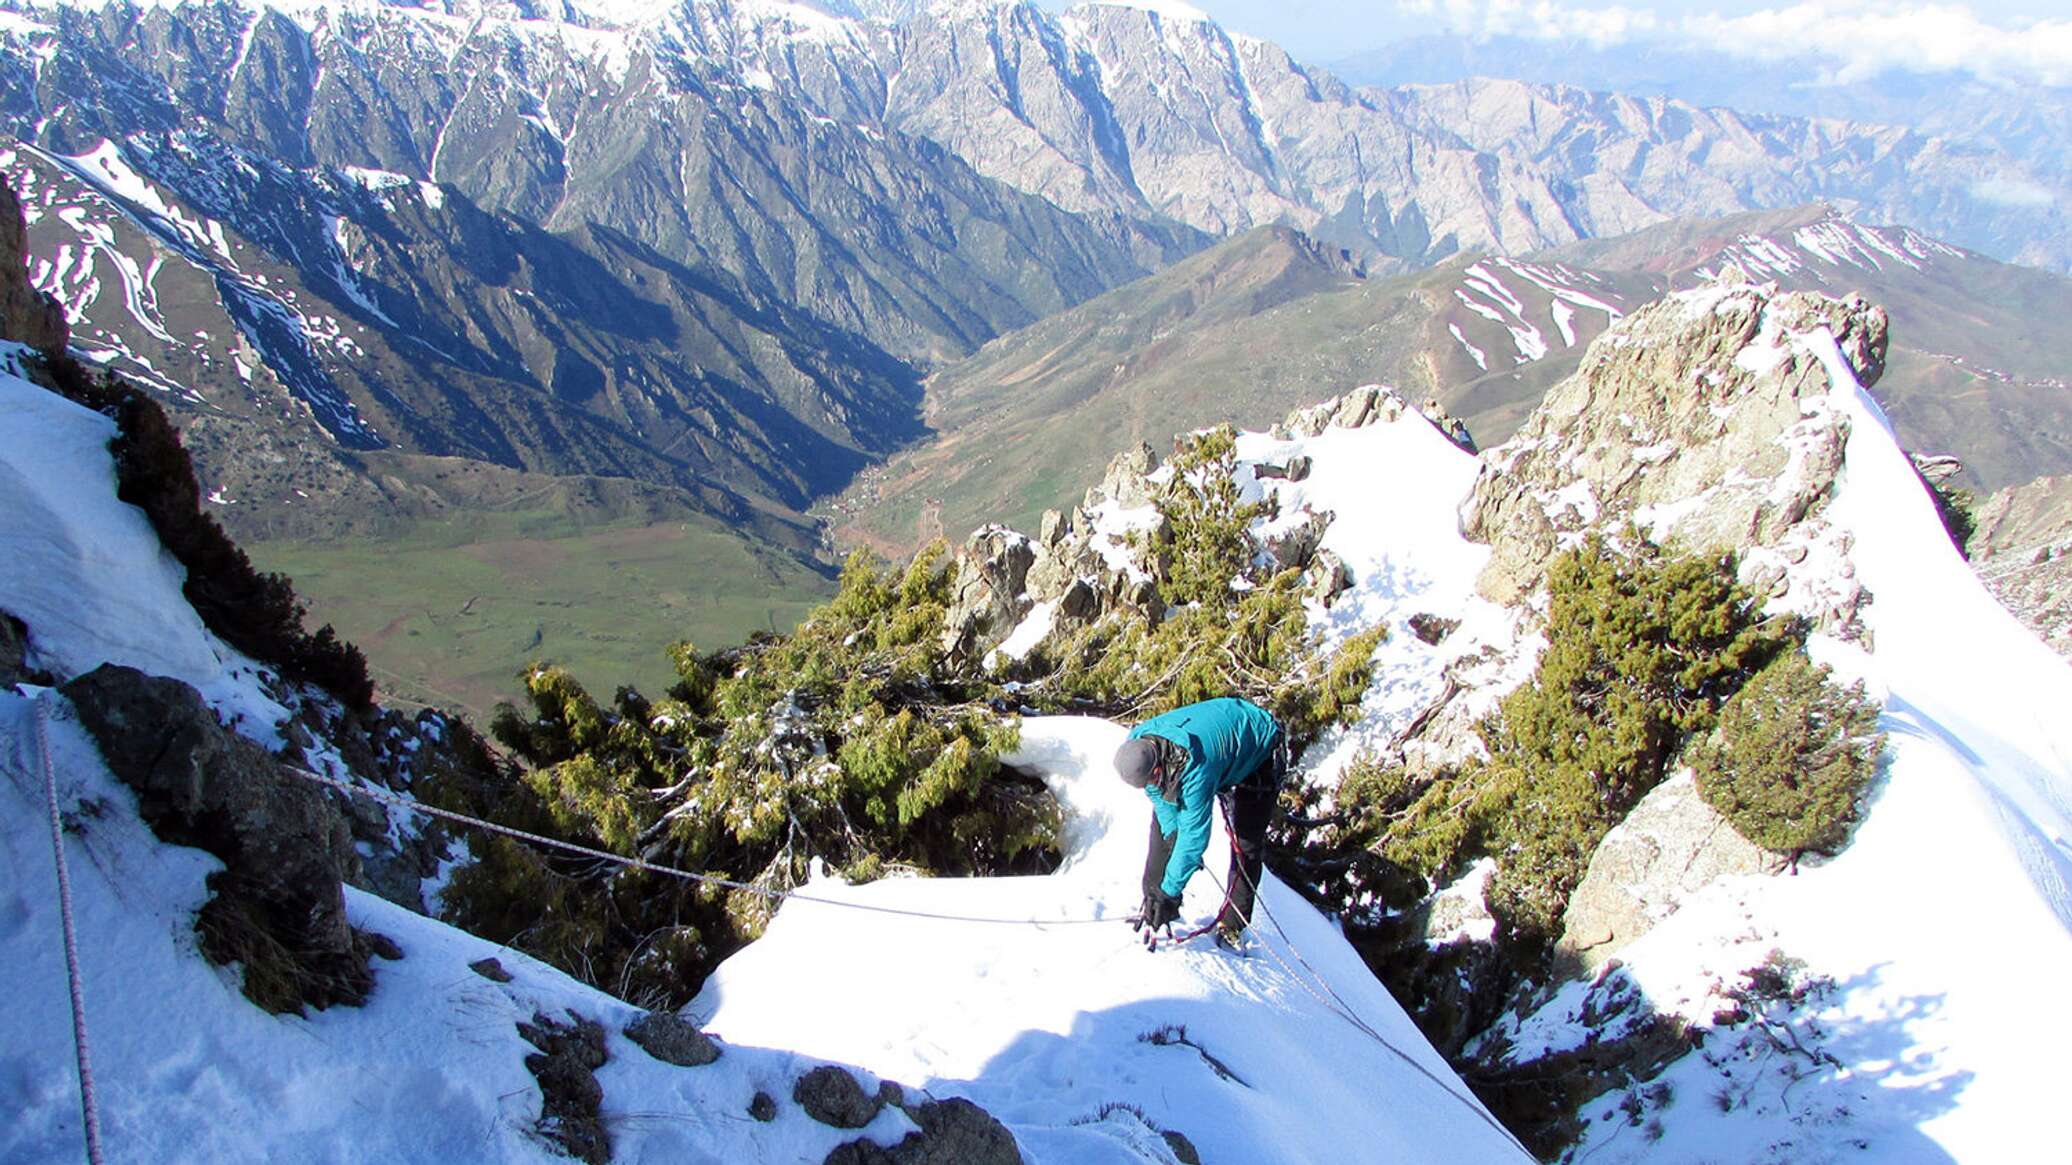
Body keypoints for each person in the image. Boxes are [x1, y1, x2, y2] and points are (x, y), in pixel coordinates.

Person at [1114, 696, 1285, 947]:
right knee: (1162, 830)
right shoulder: (1140, 742)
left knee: (1246, 844)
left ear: (1157, 769)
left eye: (1151, 780)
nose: (1149, 787)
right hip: (1226, 737)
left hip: (1260, 748)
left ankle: (1233, 924)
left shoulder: (1196, 770)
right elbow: (1161, 805)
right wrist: (1172, 839)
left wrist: (1171, 890)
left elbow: (1194, 838)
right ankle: (1153, 906)